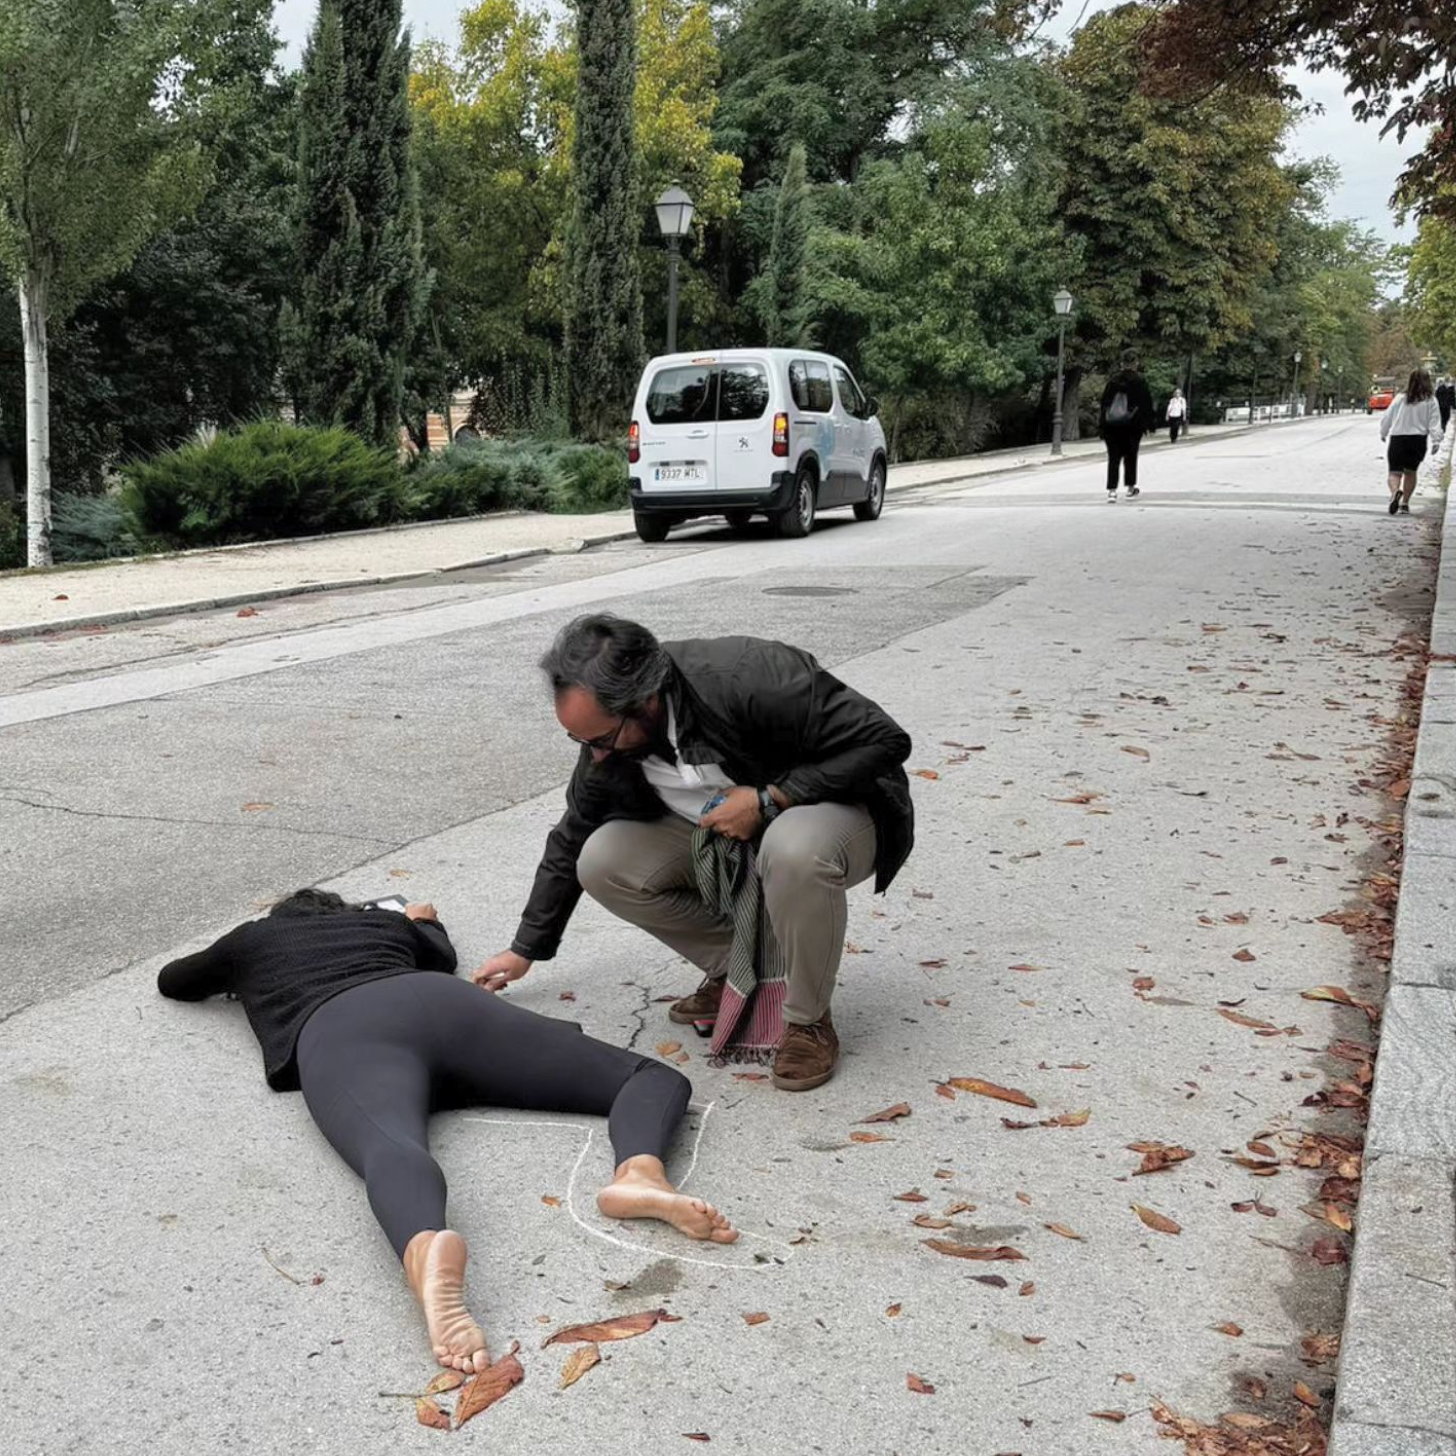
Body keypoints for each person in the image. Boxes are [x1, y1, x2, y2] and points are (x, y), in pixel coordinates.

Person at [157, 888, 735, 1376]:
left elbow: (175, 981)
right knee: (644, 1074)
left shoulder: (253, 939)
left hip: (342, 1027)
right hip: (443, 1004)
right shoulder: (382, 922)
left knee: (391, 1142)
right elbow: (439, 954)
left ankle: (425, 1246)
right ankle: (640, 1173)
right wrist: (421, 923)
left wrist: (238, 966)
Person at [474, 616, 915, 1093]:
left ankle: (806, 1021)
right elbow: (571, 836)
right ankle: (740, 969)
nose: (594, 756)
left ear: (645, 701)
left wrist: (772, 798)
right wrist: (525, 949)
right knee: (602, 859)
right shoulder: (609, 745)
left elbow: (886, 741)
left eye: (600, 739)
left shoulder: (748, 677)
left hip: (839, 811)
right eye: (580, 741)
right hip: (726, 831)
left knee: (794, 847)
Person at [1379, 368, 1445, 515]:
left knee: (1394, 472)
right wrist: (1436, 440)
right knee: (1410, 472)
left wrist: (1383, 432)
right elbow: (1435, 422)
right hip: (1418, 440)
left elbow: (1388, 416)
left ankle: (1395, 492)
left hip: (1398, 438)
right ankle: (1405, 503)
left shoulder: (1401, 398)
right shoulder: (1431, 400)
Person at [1099, 349, 1155, 502]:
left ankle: (1112, 490)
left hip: (1112, 426)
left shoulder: (1113, 381)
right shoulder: (1139, 381)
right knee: (1131, 456)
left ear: (1122, 363)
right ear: (1135, 363)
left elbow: (1104, 403)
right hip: (1132, 425)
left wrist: (1102, 426)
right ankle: (1130, 487)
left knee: (1113, 458)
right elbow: (1146, 404)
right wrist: (1149, 424)